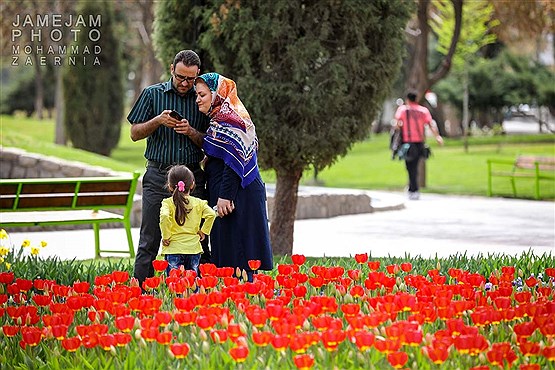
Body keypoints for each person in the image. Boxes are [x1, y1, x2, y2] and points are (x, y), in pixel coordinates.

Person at [127, 50, 211, 288]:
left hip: (193, 177)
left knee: (197, 239)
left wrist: (191, 132)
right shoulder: (152, 94)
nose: (185, 83)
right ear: (172, 69)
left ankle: (198, 292)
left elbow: (211, 143)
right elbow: (134, 133)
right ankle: (141, 292)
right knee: (150, 239)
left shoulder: (201, 98)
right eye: (181, 77)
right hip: (158, 176)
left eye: (191, 79)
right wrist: (158, 121)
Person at [194, 72, 273, 281]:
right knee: (226, 252)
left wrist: (225, 196)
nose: (197, 100)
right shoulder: (219, 120)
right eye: (197, 95)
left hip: (237, 195)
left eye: (202, 95)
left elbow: (234, 161)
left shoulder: (233, 121)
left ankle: (245, 304)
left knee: (239, 253)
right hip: (227, 192)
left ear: (216, 93)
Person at [160, 165, 216, 276]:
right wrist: (204, 231)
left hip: (173, 248)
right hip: (193, 249)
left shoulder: (167, 203)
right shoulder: (199, 203)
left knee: (175, 283)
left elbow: (165, 216)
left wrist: (166, 236)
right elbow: (211, 214)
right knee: (192, 283)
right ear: (192, 184)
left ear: (170, 186)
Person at [393, 90, 444, 200]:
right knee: (414, 166)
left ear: (407, 99)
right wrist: (437, 137)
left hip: (408, 142)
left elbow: (397, 125)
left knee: (410, 166)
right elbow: (430, 124)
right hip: (420, 142)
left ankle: (413, 189)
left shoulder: (403, 110)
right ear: (416, 99)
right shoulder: (423, 111)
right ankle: (413, 188)